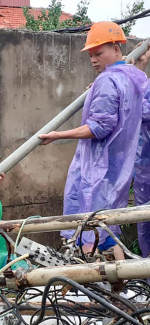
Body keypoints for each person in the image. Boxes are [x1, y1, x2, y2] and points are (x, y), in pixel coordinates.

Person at [38, 22, 148, 259]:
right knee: (107, 226)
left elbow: (100, 127)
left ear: (117, 48)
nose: (94, 60)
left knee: (89, 226)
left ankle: (90, 284)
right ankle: (122, 284)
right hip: (118, 168)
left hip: (98, 168)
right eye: (91, 56)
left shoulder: (108, 81)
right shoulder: (134, 78)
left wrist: (58, 135)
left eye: (99, 53)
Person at [131, 42, 150, 257]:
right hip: (145, 170)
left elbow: (140, 110)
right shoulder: (147, 84)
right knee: (144, 227)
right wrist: (141, 67)